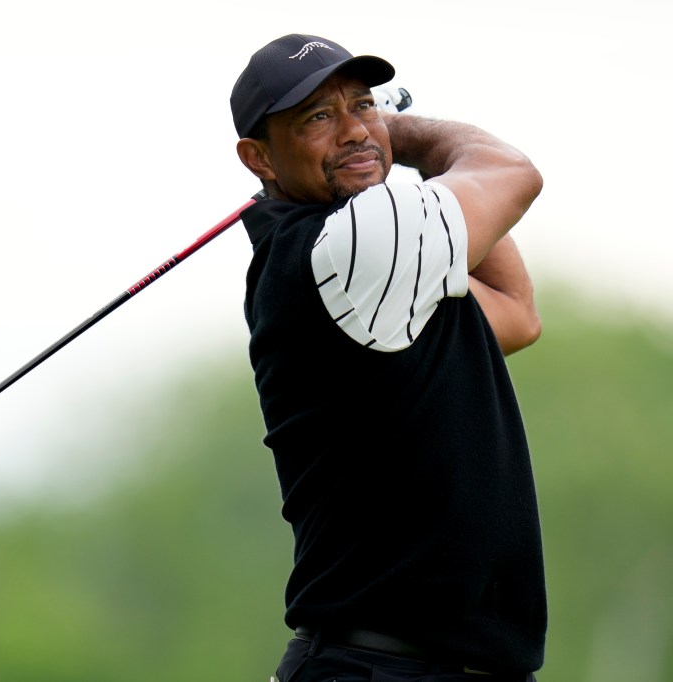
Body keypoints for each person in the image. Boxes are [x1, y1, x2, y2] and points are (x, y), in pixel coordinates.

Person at [229, 34, 546, 681]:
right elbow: (512, 173)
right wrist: (400, 135)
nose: (350, 130)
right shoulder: (348, 248)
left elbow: (515, 314)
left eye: (362, 104)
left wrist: (372, 142)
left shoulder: (382, 262)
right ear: (259, 158)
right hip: (374, 666)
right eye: (318, 116)